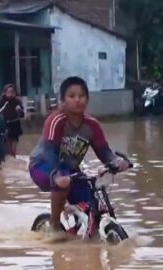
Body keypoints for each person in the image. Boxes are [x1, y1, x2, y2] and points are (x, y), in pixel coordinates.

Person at [28, 76, 130, 239]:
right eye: (72, 96)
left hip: (71, 170)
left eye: (82, 96)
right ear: (62, 100)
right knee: (62, 184)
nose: (77, 100)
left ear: (87, 99)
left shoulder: (92, 125)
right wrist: (56, 175)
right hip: (43, 165)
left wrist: (116, 162)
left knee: (90, 200)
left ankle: (81, 229)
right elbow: (49, 150)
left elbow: (103, 151)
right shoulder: (56, 120)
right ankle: (54, 227)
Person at [0, 84, 24, 158]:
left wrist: (19, 110)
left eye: (12, 92)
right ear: (5, 92)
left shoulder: (17, 102)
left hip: (15, 124)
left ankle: (13, 158)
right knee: (7, 146)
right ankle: (9, 160)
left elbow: (22, 115)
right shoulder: (2, 101)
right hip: (5, 124)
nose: (10, 94)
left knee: (14, 146)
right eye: (8, 92)